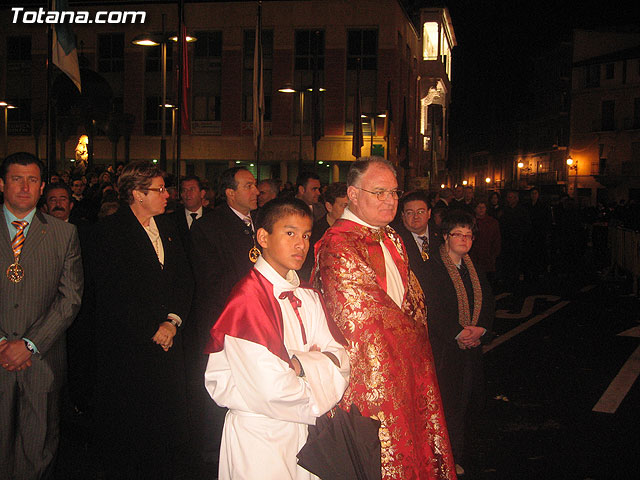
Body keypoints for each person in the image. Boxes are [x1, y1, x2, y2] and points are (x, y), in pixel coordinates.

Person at [313, 157, 455, 479]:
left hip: (408, 366)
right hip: (372, 376)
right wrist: (415, 340)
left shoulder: (391, 236)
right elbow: (364, 318)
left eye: (393, 192)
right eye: (379, 192)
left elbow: (415, 302)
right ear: (352, 193)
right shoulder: (338, 244)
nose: (390, 200)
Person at [204, 197, 350, 480]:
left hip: (307, 435)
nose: (301, 244)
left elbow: (343, 360)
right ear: (263, 237)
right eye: (290, 233)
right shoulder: (247, 301)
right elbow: (271, 390)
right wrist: (319, 373)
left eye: (306, 235)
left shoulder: (308, 295)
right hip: (261, 437)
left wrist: (300, 365)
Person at [85, 161, 193, 479]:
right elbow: (112, 294)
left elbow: (184, 279)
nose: (167, 195)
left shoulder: (171, 228)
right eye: (159, 190)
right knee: (131, 433)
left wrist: (172, 322)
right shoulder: (108, 232)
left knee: (167, 428)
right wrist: (152, 328)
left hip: (169, 340)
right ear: (136, 194)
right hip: (129, 348)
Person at [0, 152, 83, 480]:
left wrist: (30, 343)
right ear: (3, 184)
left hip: (42, 360)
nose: (24, 186)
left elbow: (71, 299)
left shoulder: (64, 235)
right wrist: (4, 342)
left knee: (38, 452)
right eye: (17, 179)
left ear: (42, 187)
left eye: (32, 180)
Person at [188, 166, 259, 474]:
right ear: (230, 193)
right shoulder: (209, 227)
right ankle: (213, 450)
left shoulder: (260, 222)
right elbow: (211, 281)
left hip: (260, 321)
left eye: (255, 185)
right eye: (249, 186)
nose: (256, 191)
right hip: (228, 321)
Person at [422, 211, 494, 476]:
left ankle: (458, 454)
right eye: (458, 234)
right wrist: (456, 332)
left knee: (469, 402)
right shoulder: (432, 268)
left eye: (469, 235)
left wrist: (481, 329)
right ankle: (445, 459)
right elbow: (432, 307)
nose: (464, 240)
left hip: (471, 349)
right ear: (445, 236)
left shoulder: (473, 268)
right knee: (447, 405)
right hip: (444, 350)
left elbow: (487, 302)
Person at [391, 189, 442, 294]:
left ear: (429, 213)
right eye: (410, 213)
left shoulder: (442, 237)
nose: (416, 217)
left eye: (420, 211)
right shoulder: (394, 240)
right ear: (403, 216)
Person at [298, 182, 348, 281]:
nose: (349, 211)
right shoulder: (315, 234)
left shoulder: (354, 231)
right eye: (344, 206)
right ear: (329, 207)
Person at [470, 199, 501, 287]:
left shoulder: (492, 222)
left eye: (483, 207)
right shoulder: (471, 222)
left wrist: (494, 254)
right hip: (474, 256)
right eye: (479, 207)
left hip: (488, 255)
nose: (481, 209)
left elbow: (496, 239)